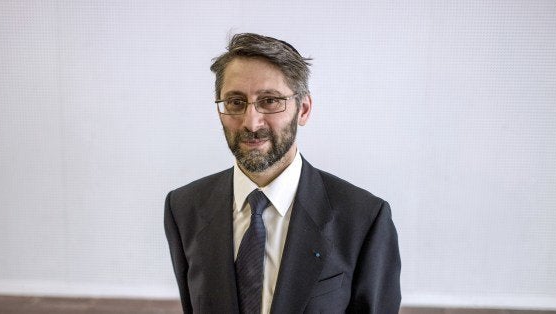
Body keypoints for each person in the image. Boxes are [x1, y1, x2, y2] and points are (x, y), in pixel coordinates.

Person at [164, 33, 401, 313]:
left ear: (303, 109)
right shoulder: (183, 207)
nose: (251, 122)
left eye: (270, 101)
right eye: (236, 102)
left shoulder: (364, 218)